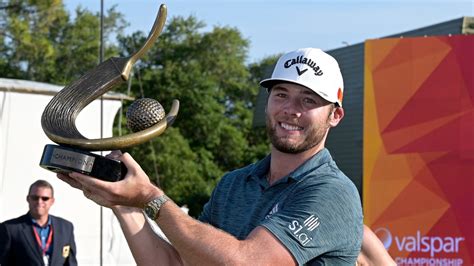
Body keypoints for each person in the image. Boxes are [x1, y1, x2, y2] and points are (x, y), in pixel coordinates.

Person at [57, 47, 363, 265]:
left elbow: (248, 263)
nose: (290, 110)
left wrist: (151, 198)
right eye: (281, 94)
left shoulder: (332, 193)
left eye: (308, 100)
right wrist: (124, 203)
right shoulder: (233, 184)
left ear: (335, 115)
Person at [0, 179, 77, 266]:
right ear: (28, 199)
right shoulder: (9, 228)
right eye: (35, 198)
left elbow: (71, 263)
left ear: (52, 201)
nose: (39, 202)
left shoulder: (66, 227)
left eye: (45, 198)